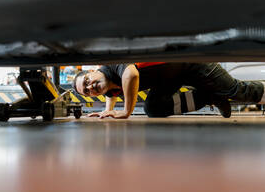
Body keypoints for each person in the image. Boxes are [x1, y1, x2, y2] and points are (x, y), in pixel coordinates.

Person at [72, 62, 265, 119]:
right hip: (172, 77)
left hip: (193, 62)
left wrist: (126, 112)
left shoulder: (113, 65)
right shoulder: (107, 87)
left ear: (92, 70)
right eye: (87, 91)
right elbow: (110, 94)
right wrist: (107, 110)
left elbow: (131, 75)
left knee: (235, 91)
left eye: (88, 81)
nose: (90, 87)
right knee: (153, 108)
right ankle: (208, 97)